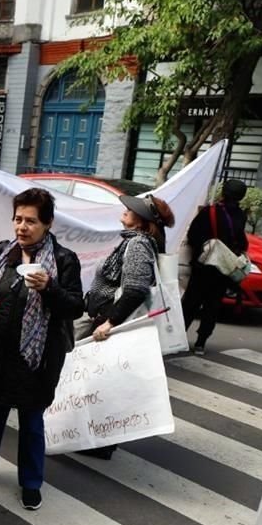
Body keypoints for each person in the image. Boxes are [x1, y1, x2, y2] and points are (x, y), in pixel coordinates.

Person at [0, 188, 83, 511]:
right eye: (18, 219)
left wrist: (49, 288)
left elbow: (74, 307)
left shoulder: (64, 260)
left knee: (31, 423)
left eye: (31, 221)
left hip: (36, 359)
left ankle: (31, 483)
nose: (22, 227)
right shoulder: (4, 252)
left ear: (48, 223)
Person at [77, 192, 175, 459]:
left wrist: (110, 323)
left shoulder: (139, 244)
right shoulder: (132, 242)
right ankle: (94, 438)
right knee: (100, 383)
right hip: (104, 321)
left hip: (108, 326)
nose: (125, 210)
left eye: (131, 209)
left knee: (101, 384)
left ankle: (100, 444)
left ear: (142, 221)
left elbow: (135, 290)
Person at [181, 179, 248, 355]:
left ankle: (179, 338)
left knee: (190, 304)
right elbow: (242, 242)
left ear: (223, 192)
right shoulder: (241, 215)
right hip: (223, 270)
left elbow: (193, 235)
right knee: (212, 305)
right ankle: (201, 343)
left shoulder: (209, 212)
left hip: (203, 268)